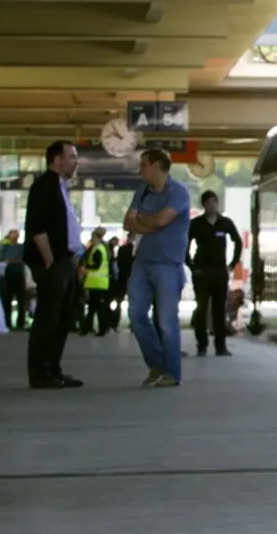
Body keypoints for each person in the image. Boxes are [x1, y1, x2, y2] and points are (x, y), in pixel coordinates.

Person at [123, 148, 191, 387]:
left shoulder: (179, 192)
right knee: (136, 315)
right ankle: (156, 365)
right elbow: (127, 223)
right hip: (142, 261)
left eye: (144, 165)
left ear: (157, 166)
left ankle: (172, 373)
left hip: (168, 264)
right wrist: (151, 223)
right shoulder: (141, 192)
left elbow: (162, 221)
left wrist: (142, 221)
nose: (140, 169)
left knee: (166, 320)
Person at [22, 141, 84, 389]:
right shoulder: (44, 186)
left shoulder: (62, 187)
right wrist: (48, 260)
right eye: (72, 156)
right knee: (47, 319)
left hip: (65, 261)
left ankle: (54, 368)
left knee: (62, 318)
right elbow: (38, 227)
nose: (76, 161)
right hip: (52, 263)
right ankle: (40, 372)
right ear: (57, 160)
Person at [187, 191, 243, 357]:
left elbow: (237, 241)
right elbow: (185, 244)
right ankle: (202, 345)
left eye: (214, 202)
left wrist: (232, 264)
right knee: (201, 308)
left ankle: (221, 345)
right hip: (201, 272)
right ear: (203, 205)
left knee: (219, 310)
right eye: (209, 202)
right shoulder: (196, 224)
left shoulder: (224, 223)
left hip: (219, 272)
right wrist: (191, 266)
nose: (212, 205)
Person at [79, 228, 113, 336]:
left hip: (97, 282)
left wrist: (86, 268)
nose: (91, 240)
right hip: (98, 283)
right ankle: (88, 328)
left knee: (96, 308)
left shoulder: (98, 249)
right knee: (94, 307)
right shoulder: (100, 248)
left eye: (92, 238)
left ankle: (99, 329)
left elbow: (96, 265)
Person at [0, 229, 28, 330]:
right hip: (8, 275)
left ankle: (20, 323)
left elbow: (21, 259)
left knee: (21, 300)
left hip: (18, 274)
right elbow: (3, 259)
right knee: (7, 300)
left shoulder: (21, 247)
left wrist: (10, 261)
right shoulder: (5, 247)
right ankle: (7, 322)